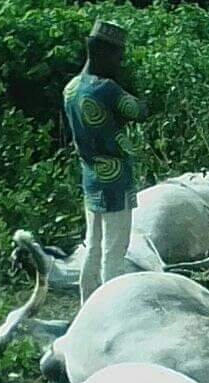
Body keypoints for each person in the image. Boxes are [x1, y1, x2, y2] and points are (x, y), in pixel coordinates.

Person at [63, 20, 148, 304]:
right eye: (117, 56)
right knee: (114, 250)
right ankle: (110, 309)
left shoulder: (71, 88)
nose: (120, 62)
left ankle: (87, 302)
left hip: (90, 174)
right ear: (102, 53)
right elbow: (138, 110)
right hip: (115, 178)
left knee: (93, 246)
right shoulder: (107, 88)